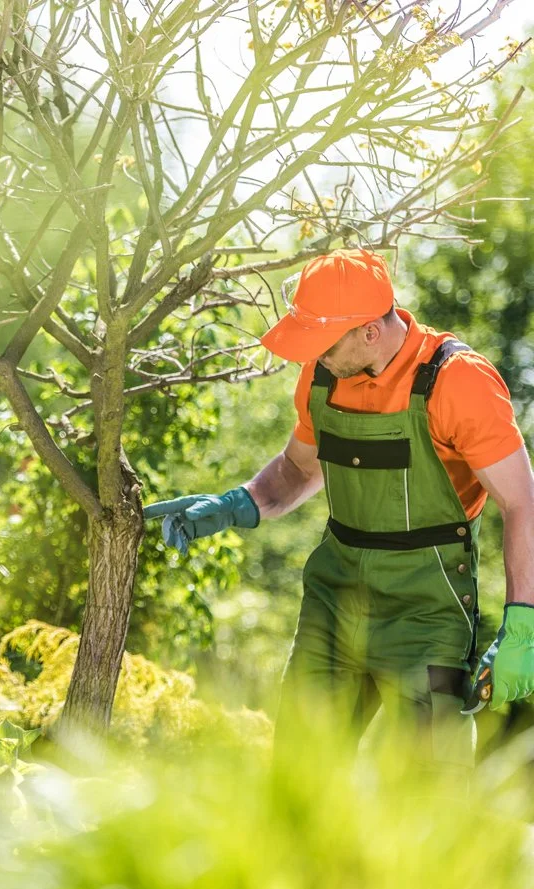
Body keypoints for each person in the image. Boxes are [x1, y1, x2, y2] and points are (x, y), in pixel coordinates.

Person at [143, 248, 534, 770]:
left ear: (370, 332)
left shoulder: (456, 381)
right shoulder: (322, 376)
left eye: (321, 342)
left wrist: (523, 625)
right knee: (301, 779)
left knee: (424, 793)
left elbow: (522, 501)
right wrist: (234, 506)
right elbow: (297, 471)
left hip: (425, 612)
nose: (312, 355)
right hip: (333, 600)